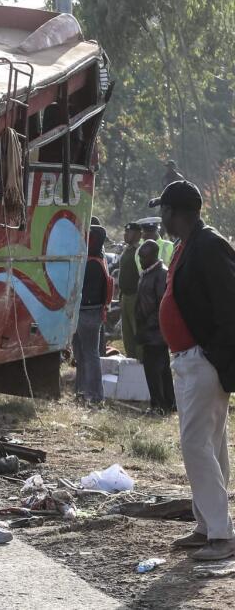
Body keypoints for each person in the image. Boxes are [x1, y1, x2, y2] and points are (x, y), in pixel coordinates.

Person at [150, 180, 235, 561]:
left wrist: (218, 355)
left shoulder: (209, 244)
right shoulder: (189, 245)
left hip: (204, 359)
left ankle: (221, 534)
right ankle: (207, 526)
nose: (161, 217)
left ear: (172, 212)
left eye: (163, 210)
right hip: (189, 359)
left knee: (195, 445)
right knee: (211, 445)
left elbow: (229, 305)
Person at [73, 224, 112, 404]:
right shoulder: (99, 261)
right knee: (84, 354)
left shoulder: (89, 264)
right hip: (93, 313)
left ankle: (95, 395)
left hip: (86, 314)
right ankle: (83, 391)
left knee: (88, 355)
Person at [135, 240, 174, 413]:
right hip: (148, 330)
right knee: (162, 368)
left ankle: (158, 405)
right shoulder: (147, 273)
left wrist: (148, 326)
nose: (141, 260)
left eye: (143, 257)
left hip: (155, 332)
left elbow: (161, 305)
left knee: (154, 370)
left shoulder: (161, 274)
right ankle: (168, 403)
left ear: (153, 256)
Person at [117, 222, 142, 361]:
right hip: (125, 296)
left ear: (138, 234)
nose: (126, 235)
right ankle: (131, 361)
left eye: (129, 232)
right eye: (125, 232)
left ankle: (141, 364)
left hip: (135, 296)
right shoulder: (127, 250)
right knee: (127, 335)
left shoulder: (139, 251)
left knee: (137, 332)